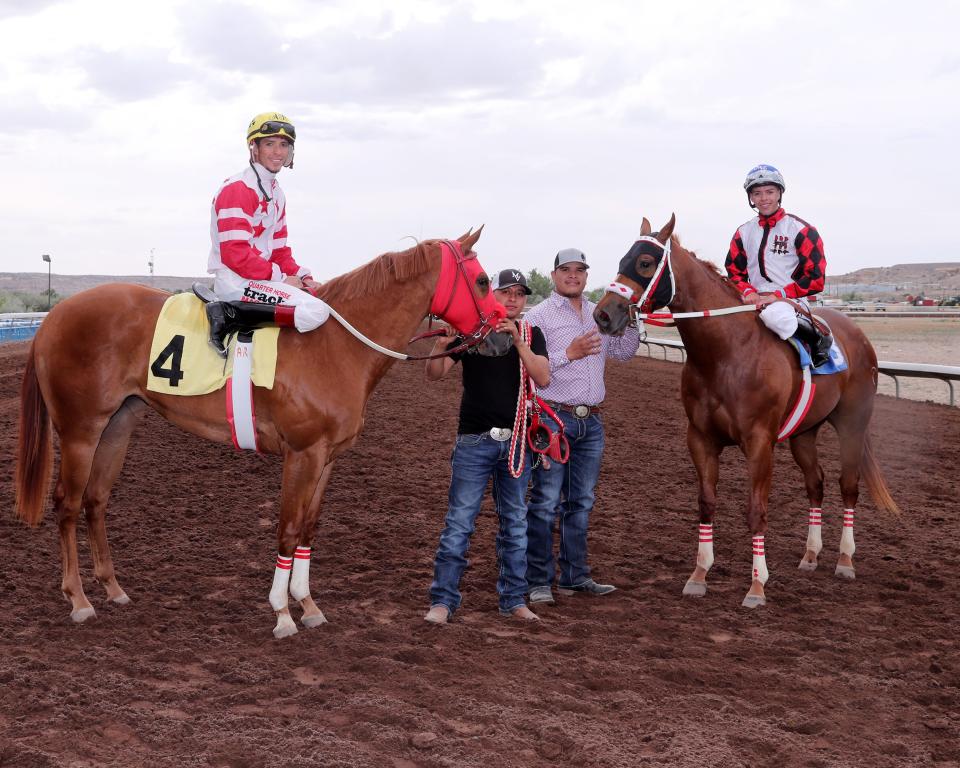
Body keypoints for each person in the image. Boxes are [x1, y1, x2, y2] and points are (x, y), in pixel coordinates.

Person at [424, 269, 550, 625]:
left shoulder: (530, 333)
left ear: (525, 300)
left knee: (515, 523)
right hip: (474, 441)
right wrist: (441, 344)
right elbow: (434, 374)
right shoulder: (472, 332)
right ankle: (443, 600)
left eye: (520, 294)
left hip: (515, 446)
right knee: (460, 523)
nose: (513, 299)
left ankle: (513, 599)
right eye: (506, 292)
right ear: (492, 295)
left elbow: (542, 376)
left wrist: (520, 342)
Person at [523, 248, 641, 605]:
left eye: (579, 270)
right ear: (555, 275)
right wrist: (568, 354)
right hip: (552, 418)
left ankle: (575, 576)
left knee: (581, 502)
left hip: (592, 421)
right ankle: (539, 580)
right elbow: (533, 370)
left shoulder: (600, 313)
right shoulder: (539, 317)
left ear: (587, 276)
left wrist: (632, 320)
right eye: (566, 270)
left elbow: (622, 353)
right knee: (544, 501)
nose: (573, 276)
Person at [200, 111, 330, 357]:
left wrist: (303, 276)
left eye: (283, 145)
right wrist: (281, 279)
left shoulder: (277, 193)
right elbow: (235, 254)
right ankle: (226, 314)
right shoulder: (238, 189)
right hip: (236, 281)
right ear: (254, 148)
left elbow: (279, 251)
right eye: (269, 144)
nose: (278, 152)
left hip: (261, 279)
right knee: (316, 312)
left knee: (320, 295)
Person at [725, 164, 831, 366]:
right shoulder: (743, 232)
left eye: (769, 192)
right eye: (757, 193)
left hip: (789, 300)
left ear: (779, 193)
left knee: (775, 318)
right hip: (752, 298)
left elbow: (815, 279)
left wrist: (779, 295)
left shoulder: (802, 230)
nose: (764, 198)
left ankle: (818, 337)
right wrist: (748, 291)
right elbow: (734, 274)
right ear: (751, 198)